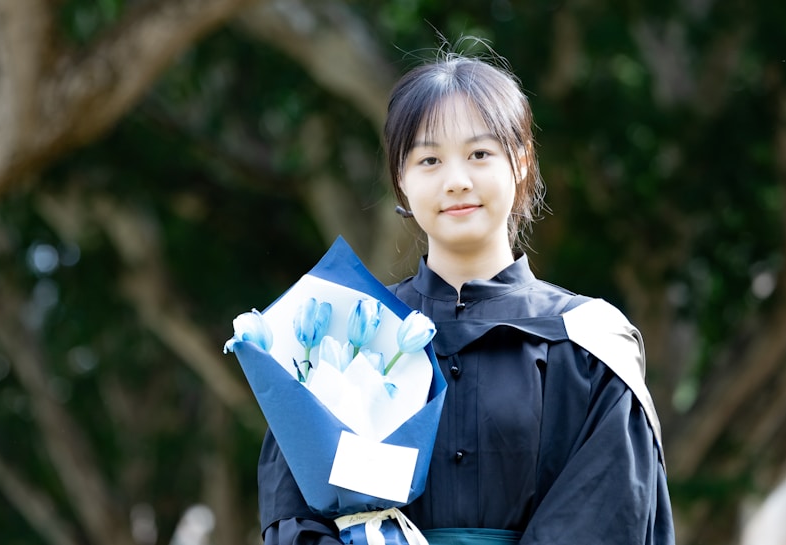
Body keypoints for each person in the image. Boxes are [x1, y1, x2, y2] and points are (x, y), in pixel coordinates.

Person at [258, 44, 676, 545]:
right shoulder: (340, 340)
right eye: (429, 159)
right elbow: (295, 519)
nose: (456, 182)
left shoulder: (588, 346)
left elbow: (606, 517)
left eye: (479, 154)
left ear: (520, 162)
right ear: (401, 180)